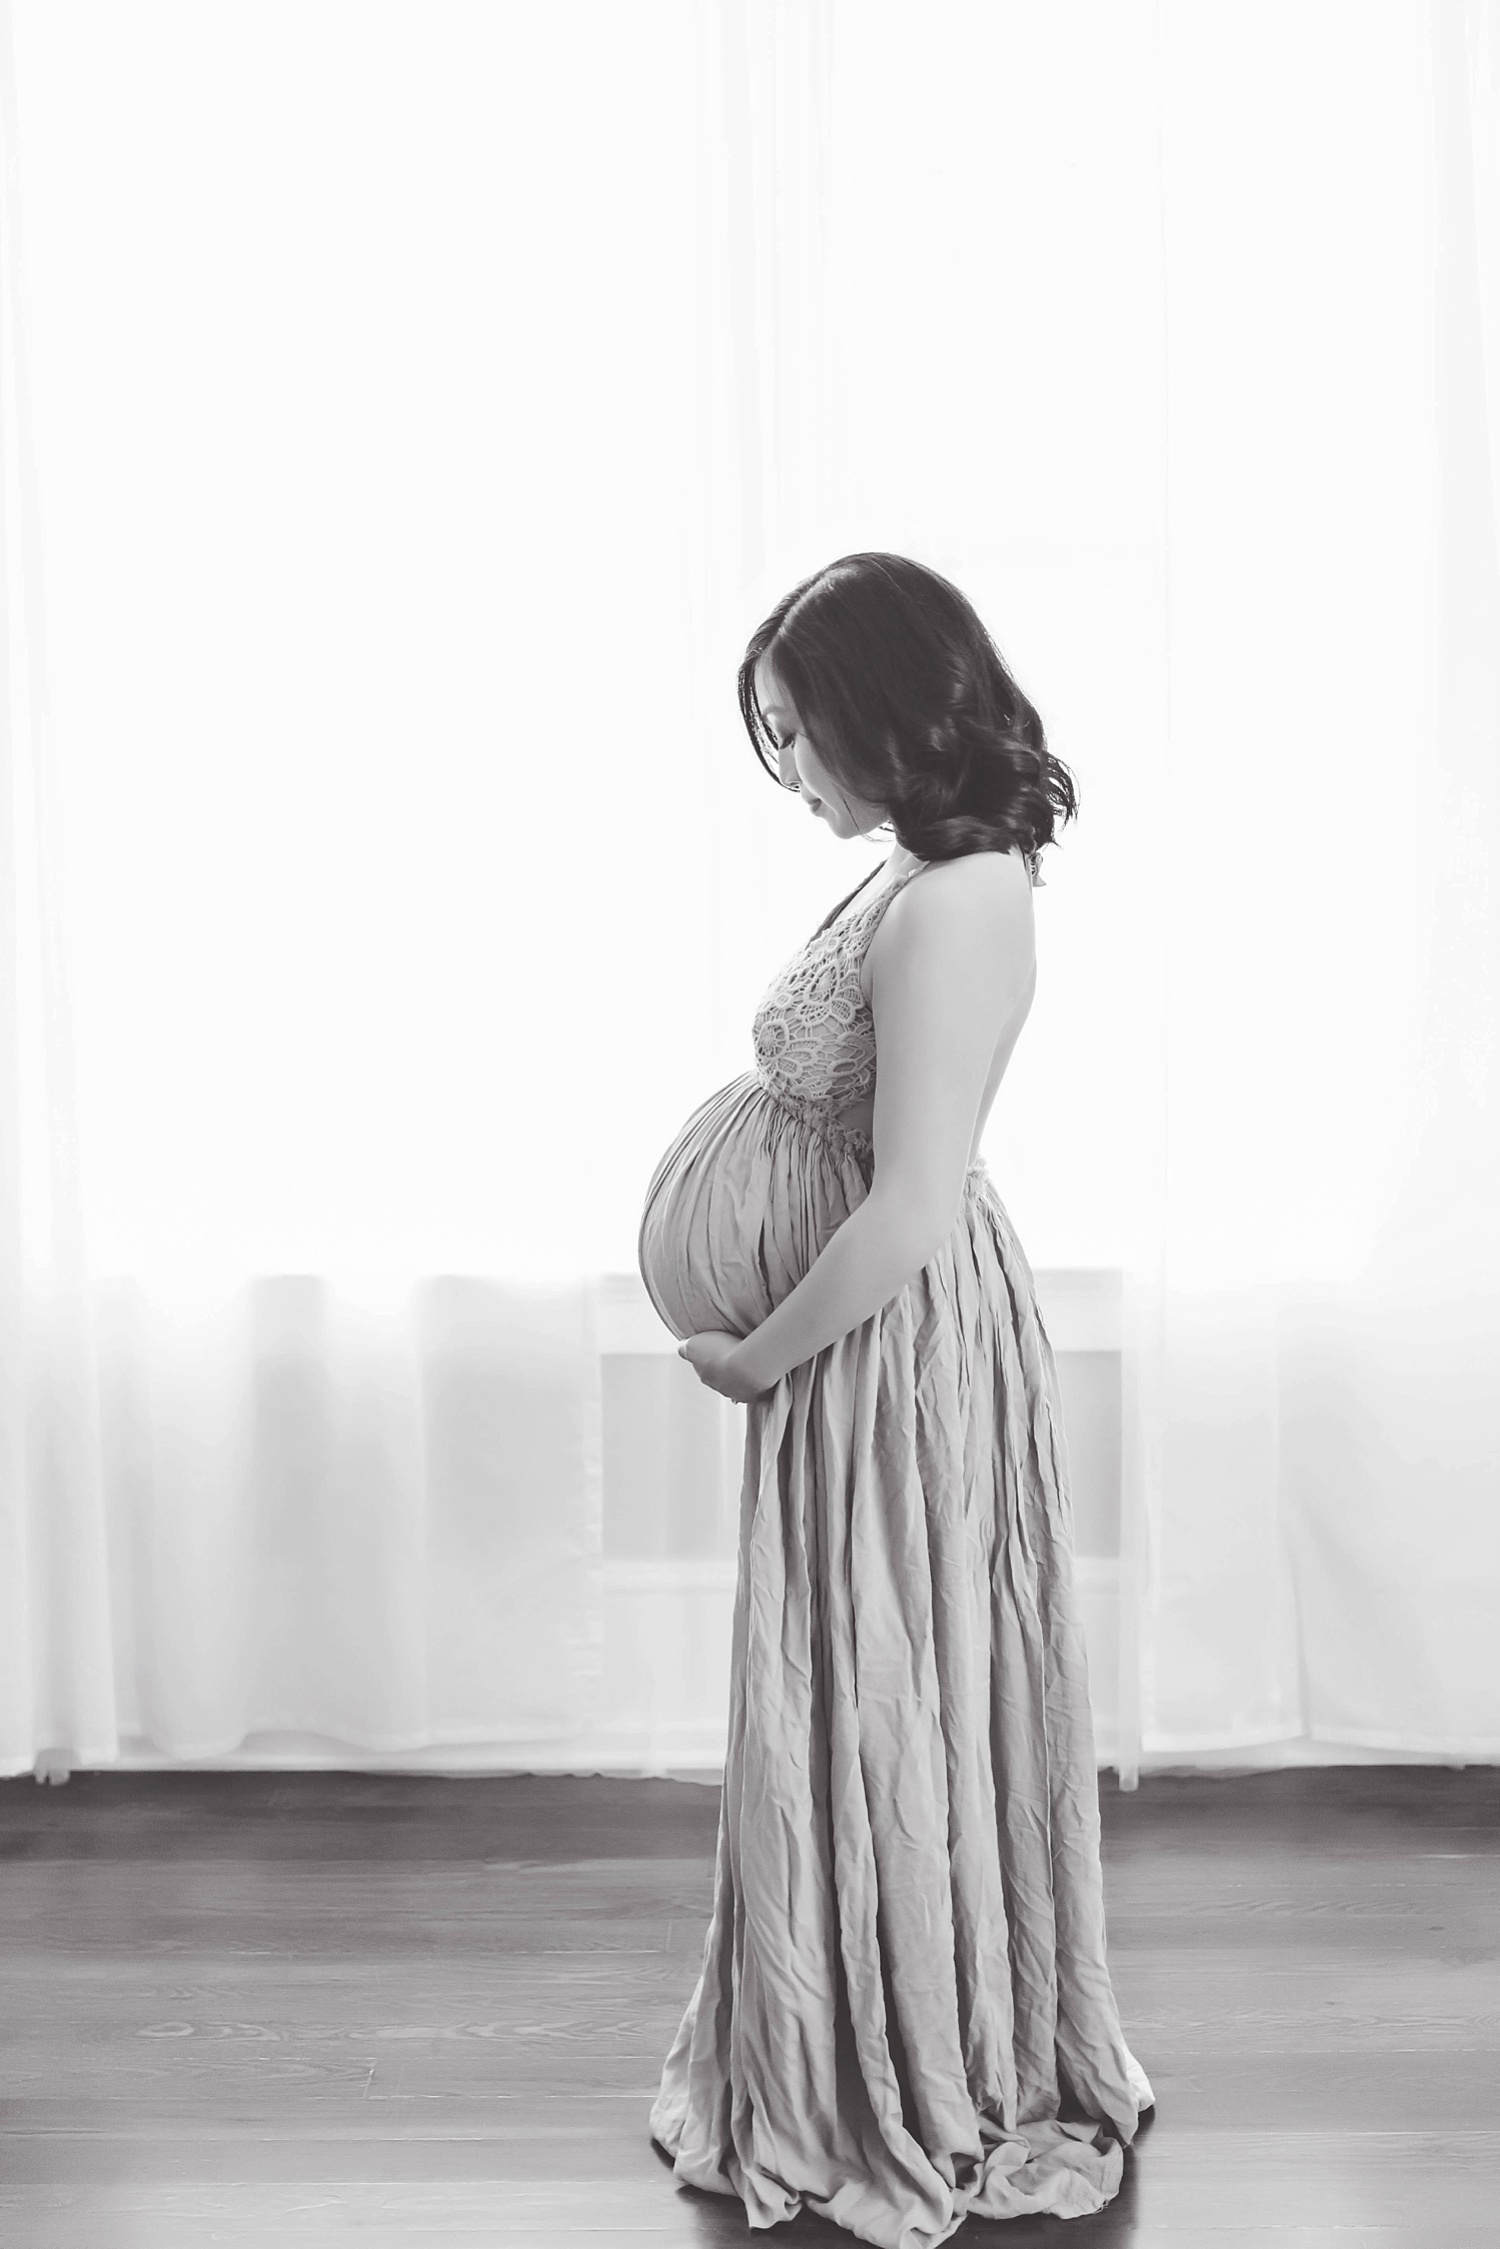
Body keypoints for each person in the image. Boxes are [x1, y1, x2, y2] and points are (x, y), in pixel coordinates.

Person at [636, 552, 1154, 2245]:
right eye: (767, 737)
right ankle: (840, 2007)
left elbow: (915, 1197)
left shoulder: (961, 898)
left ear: (878, 706)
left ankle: (913, 2045)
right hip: (856, 1336)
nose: (785, 768)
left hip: (882, 1345)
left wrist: (757, 1353)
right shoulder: (911, 873)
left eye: (795, 731)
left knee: (885, 1691)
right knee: (860, 1689)